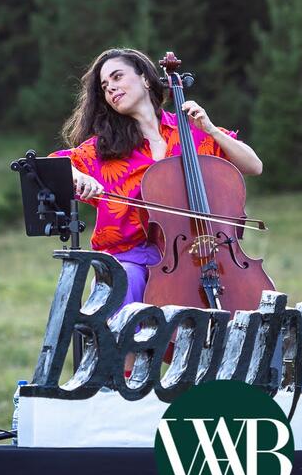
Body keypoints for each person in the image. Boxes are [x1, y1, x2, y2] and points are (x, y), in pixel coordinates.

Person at [52, 47, 262, 308]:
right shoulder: (107, 149)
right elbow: (54, 165)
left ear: (144, 78)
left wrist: (211, 130)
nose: (110, 89)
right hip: (132, 260)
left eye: (117, 77)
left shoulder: (191, 132)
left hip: (201, 256)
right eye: (105, 86)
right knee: (124, 280)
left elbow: (254, 165)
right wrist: (80, 177)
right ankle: (127, 349)